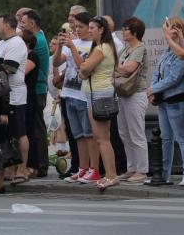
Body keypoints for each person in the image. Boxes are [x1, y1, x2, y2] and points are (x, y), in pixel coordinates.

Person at [73, 16, 120, 191]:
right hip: (97, 93)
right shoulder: (104, 47)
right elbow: (84, 70)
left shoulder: (101, 48)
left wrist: (84, 70)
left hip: (99, 94)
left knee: (102, 139)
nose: (90, 30)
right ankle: (110, 174)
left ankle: (111, 175)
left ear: (101, 30)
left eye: (93, 27)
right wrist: (84, 71)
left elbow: (84, 69)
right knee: (102, 138)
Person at [147, 17, 184, 186]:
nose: (172, 30)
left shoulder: (183, 51)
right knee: (165, 138)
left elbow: (174, 78)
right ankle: (163, 174)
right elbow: (157, 73)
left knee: (181, 138)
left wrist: (154, 89)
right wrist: (152, 89)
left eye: (176, 27)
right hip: (163, 101)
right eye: (169, 27)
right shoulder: (167, 51)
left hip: (176, 100)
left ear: (181, 30)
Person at [55, 13, 95, 183]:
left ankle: (94, 169)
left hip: (84, 95)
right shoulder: (73, 43)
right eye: (75, 27)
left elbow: (83, 68)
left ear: (89, 27)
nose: (77, 30)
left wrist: (71, 47)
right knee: (77, 135)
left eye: (81, 27)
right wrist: (59, 46)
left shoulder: (94, 45)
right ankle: (82, 168)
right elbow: (56, 63)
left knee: (89, 135)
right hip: (69, 93)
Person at [0, 14, 31, 185]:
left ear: (7, 25)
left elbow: (9, 68)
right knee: (4, 134)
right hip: (1, 94)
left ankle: (23, 169)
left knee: (19, 132)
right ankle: (8, 169)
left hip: (15, 94)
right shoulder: (0, 44)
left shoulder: (16, 43)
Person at [115, 17, 150, 183]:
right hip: (122, 94)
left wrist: (113, 67)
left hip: (136, 94)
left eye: (125, 29)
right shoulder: (125, 50)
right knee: (124, 133)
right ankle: (132, 168)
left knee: (136, 133)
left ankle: (142, 170)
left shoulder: (140, 49)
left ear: (135, 32)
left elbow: (128, 69)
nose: (123, 31)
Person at [17, 9, 51, 178]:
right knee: (34, 128)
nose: (20, 26)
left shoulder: (36, 40)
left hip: (36, 89)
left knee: (36, 130)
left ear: (32, 24)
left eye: (22, 23)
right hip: (36, 88)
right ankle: (36, 164)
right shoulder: (39, 37)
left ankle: (40, 165)